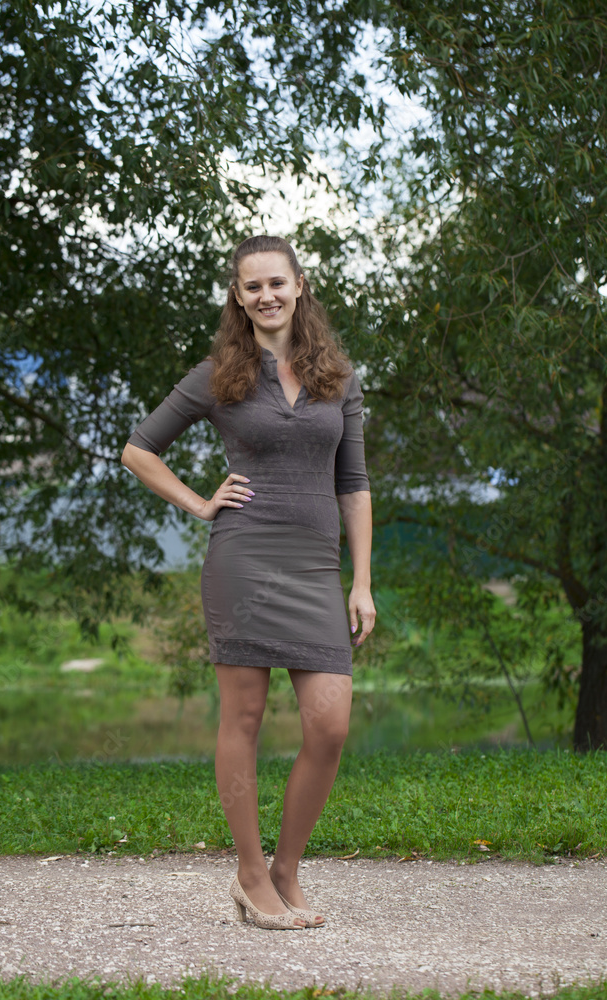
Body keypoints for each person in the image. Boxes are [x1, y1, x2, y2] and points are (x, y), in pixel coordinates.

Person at [122, 235, 375, 930]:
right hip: (244, 560)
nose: (265, 295)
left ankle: (286, 866)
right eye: (251, 286)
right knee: (243, 717)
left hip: (316, 568)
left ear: (300, 286)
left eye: (276, 283)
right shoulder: (217, 375)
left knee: (329, 724)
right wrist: (200, 503)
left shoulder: (338, 379)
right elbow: (139, 451)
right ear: (237, 297)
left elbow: (353, 485)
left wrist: (361, 581)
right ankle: (248, 871)